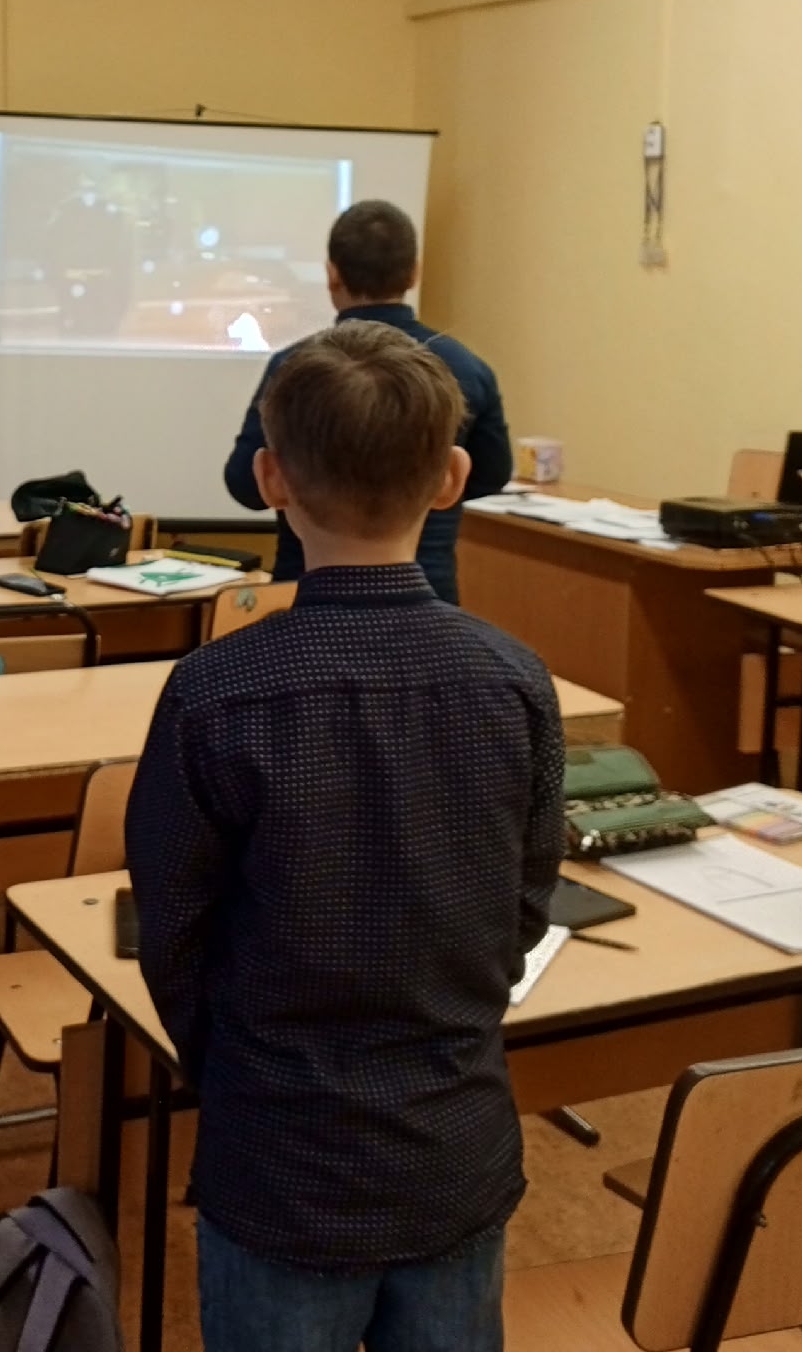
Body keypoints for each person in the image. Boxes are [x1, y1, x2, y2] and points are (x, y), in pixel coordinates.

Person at [129, 320, 566, 1352]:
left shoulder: (213, 692)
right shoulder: (516, 681)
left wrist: (240, 1076)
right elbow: (524, 906)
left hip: (279, 1156)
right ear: (452, 477)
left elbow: (172, 936)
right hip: (453, 1144)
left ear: (269, 478)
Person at [224, 201, 510, 604]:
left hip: (306, 597)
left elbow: (244, 486)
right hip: (430, 595)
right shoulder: (469, 368)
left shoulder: (292, 368)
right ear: (414, 272)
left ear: (332, 274)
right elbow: (492, 475)